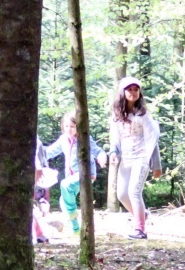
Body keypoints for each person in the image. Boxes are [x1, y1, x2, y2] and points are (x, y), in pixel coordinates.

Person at [109, 76, 162, 240]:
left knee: (134, 192)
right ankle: (141, 215)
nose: (133, 92)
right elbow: (115, 137)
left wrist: (156, 165)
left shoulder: (143, 115)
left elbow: (152, 139)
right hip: (126, 159)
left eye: (136, 89)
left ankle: (140, 229)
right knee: (122, 195)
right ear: (123, 92)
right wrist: (113, 152)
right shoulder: (117, 115)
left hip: (141, 158)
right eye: (129, 90)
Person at [45, 110, 108, 234]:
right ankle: (75, 230)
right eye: (66, 126)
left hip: (86, 175)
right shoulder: (63, 139)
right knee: (63, 201)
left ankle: (75, 221)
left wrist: (102, 157)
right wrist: (35, 154)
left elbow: (98, 151)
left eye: (72, 126)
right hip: (71, 176)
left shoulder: (85, 138)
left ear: (78, 126)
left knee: (65, 184)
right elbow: (50, 152)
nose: (69, 129)